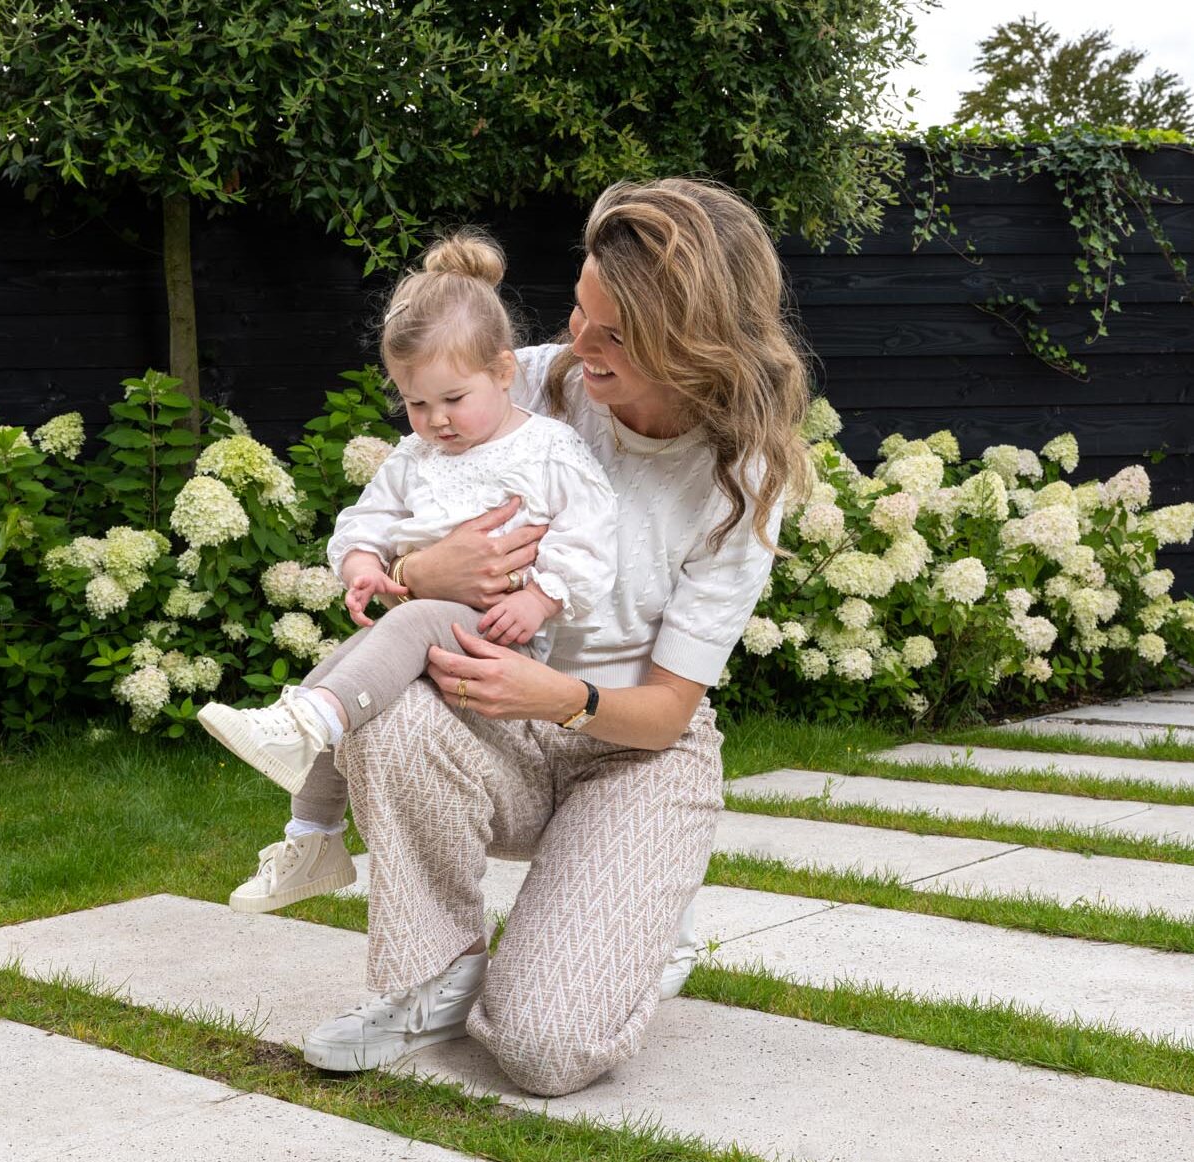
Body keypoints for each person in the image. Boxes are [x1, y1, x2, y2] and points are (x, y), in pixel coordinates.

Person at [237, 178, 809, 1096]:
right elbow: (402, 526)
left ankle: (636, 915)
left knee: (543, 1050)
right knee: (386, 712)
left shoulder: (735, 479)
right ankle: (432, 977)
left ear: (692, 344)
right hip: (494, 723)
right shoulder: (526, 380)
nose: (580, 348)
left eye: (615, 336)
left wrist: (561, 698)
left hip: (628, 751)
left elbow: (664, 713)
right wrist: (419, 574)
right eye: (582, 313)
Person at [198, 230, 617, 905]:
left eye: (453, 399)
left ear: (503, 372)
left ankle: (304, 726)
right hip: (429, 620)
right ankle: (313, 837)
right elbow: (364, 520)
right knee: (333, 671)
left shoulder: (546, 448)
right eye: (416, 403)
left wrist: (540, 598)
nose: (436, 420)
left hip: (505, 630)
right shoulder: (413, 456)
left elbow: (592, 534)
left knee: (375, 654)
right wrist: (363, 562)